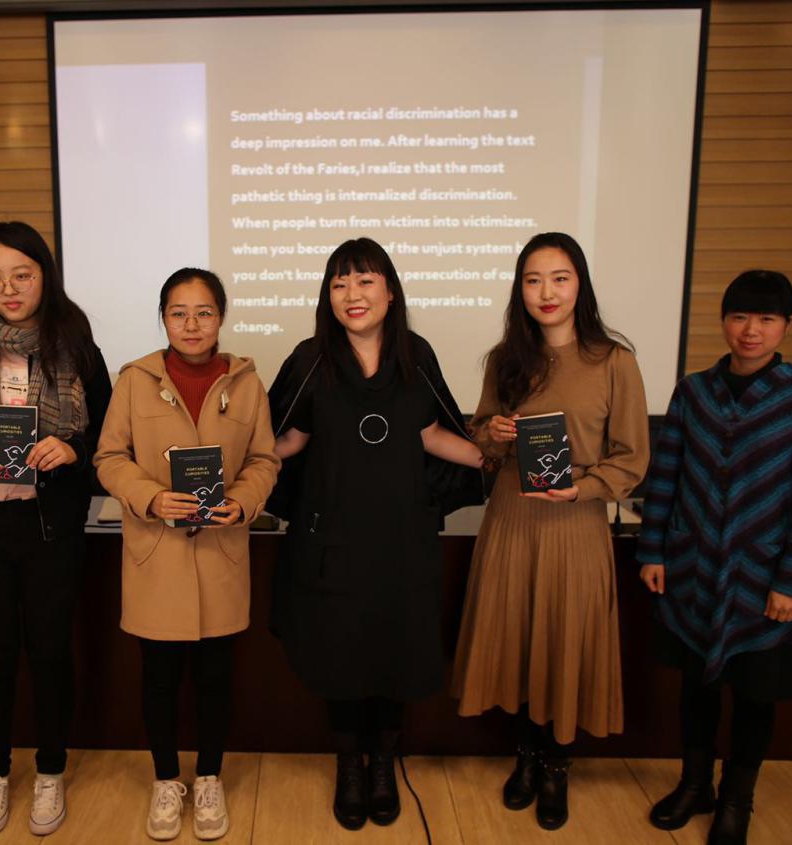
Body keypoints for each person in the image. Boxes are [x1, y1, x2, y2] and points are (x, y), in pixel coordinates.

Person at [268, 237, 483, 831]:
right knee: (340, 656)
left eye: (365, 281)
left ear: (390, 291)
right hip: (332, 542)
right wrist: (223, 459)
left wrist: (493, 458)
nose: (352, 294)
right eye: (339, 283)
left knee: (396, 652)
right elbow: (288, 439)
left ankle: (383, 763)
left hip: (402, 540)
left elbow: (431, 433)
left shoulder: (416, 353)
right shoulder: (309, 359)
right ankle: (349, 765)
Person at [451, 231, 649, 831]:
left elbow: (631, 459)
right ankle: (526, 755)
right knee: (517, 638)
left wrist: (582, 489)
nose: (546, 292)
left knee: (563, 642)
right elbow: (483, 440)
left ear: (579, 284)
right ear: (521, 289)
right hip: (512, 519)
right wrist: (493, 435)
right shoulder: (505, 359)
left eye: (559, 278)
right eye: (533, 280)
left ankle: (557, 766)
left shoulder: (614, 361)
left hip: (575, 524)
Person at [637, 270, 792, 845]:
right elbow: (667, 475)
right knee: (696, 688)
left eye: (766, 319)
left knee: (755, 695)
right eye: (740, 317)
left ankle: (736, 800)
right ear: (724, 321)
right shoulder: (693, 391)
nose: (751, 330)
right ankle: (694, 785)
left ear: (786, 326)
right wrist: (654, 551)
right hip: (694, 569)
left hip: (765, 579)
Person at [0, 221, 111, 836]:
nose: (9, 289)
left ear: (44, 277)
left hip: (50, 527)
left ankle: (51, 769)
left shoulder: (76, 345)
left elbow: (109, 433)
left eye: (22, 275)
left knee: (52, 652)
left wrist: (74, 450)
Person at [94, 268, 280, 842]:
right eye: (178, 313)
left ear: (220, 317)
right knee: (159, 679)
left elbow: (264, 460)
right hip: (158, 555)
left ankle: (209, 778)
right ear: (163, 319)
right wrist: (151, 497)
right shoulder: (134, 380)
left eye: (203, 312)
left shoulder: (246, 382)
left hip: (221, 553)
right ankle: (165, 780)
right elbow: (108, 458)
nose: (191, 324)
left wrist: (243, 501)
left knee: (216, 679)